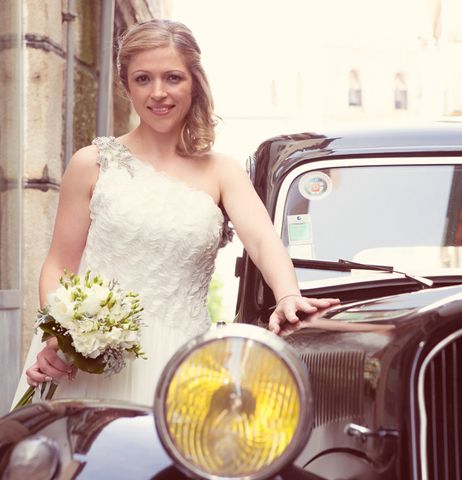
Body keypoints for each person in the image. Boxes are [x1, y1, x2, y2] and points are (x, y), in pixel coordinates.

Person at [13, 19, 339, 407]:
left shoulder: (222, 171)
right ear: (126, 87)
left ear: (194, 82)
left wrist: (287, 294)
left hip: (182, 363)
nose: (159, 93)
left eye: (172, 77)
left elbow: (263, 240)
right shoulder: (92, 163)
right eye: (143, 79)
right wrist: (60, 336)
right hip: (88, 360)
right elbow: (59, 266)